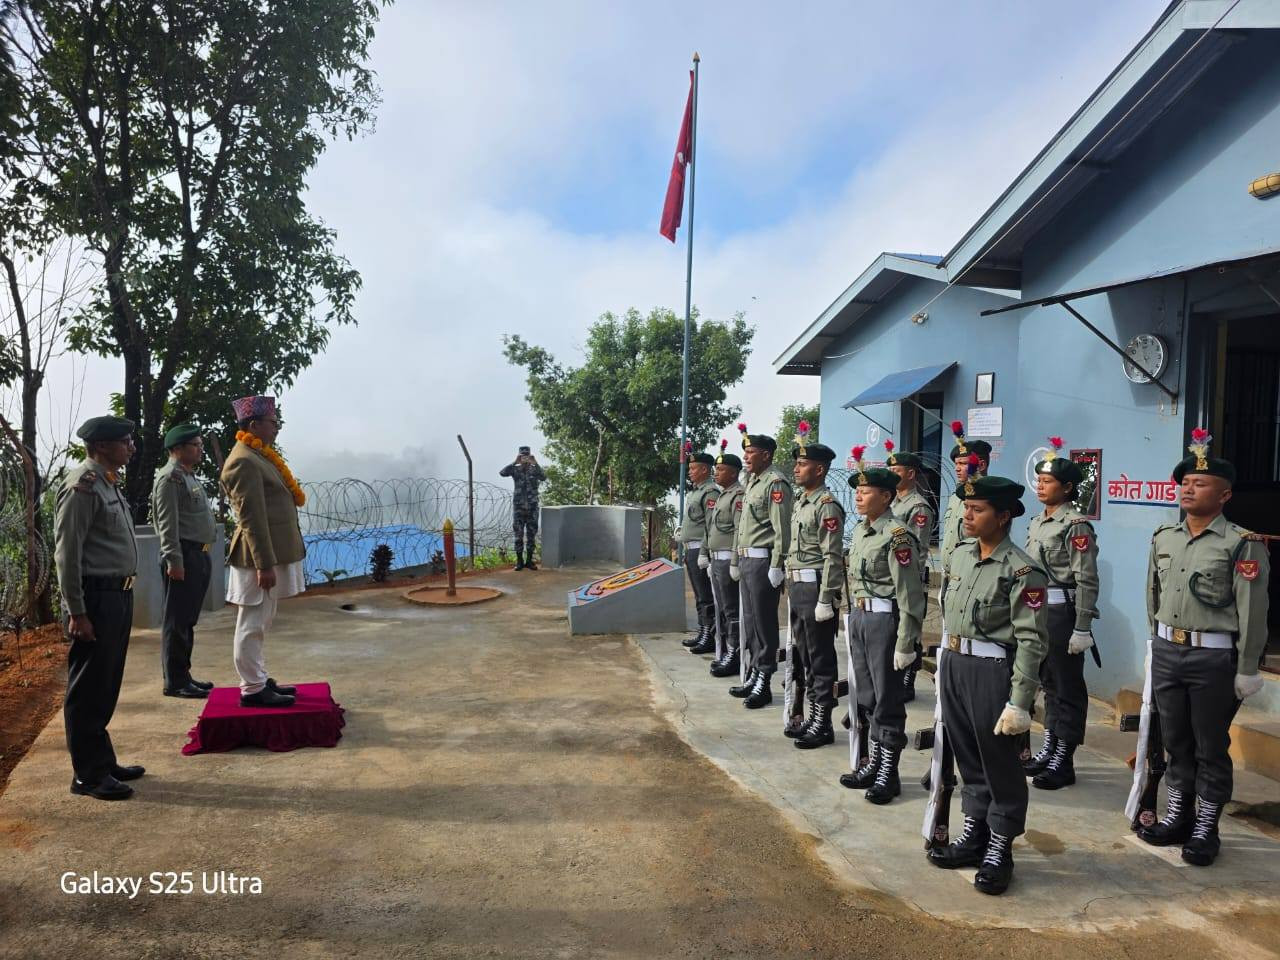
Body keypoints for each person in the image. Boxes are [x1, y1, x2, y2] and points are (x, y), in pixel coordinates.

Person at [1135, 428, 1270, 867]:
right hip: (1169, 651)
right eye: (1185, 482)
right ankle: (1178, 816)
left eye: (1201, 483)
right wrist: (1154, 642)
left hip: (1212, 658)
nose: (1189, 489)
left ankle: (1206, 827)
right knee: (1175, 741)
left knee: (1209, 745)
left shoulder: (1241, 543)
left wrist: (1247, 666)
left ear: (1225, 494)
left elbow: (1252, 610)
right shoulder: (1165, 536)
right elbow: (1153, 594)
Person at [927, 475, 1048, 897]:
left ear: (1003, 516)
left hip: (993, 670)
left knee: (999, 762)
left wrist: (1020, 700)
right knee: (967, 755)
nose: (967, 515)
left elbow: (1032, 639)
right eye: (966, 508)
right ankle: (975, 834)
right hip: (956, 663)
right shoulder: (960, 556)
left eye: (977, 510)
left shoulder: (1023, 570)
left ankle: (1001, 845)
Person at [54, 415, 143, 801]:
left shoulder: (107, 483)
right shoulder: (83, 488)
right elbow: (67, 554)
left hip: (117, 595)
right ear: (102, 446)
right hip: (95, 597)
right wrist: (77, 611)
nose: (131, 447)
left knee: (105, 684)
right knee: (87, 688)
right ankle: (87, 776)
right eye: (125, 441)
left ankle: (101, 761)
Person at [839, 447, 925, 801]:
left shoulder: (897, 535)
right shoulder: (861, 531)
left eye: (867, 490)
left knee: (888, 698)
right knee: (868, 696)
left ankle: (889, 772)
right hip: (860, 617)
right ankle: (875, 761)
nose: (859, 495)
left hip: (884, 621)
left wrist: (906, 642)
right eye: (857, 490)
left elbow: (910, 595)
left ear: (887, 496)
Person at [1023, 435, 1100, 790]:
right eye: (1039, 479)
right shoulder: (1039, 522)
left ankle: (1064, 758)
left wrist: (1082, 627)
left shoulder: (1076, 525)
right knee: (1049, 684)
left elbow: (1086, 578)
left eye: (1048, 481)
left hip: (1062, 613)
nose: (1040, 485)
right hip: (1037, 612)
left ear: (1067, 487)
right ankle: (1051, 746)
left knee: (1067, 687)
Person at [221, 395, 303, 708]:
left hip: (267, 555)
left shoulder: (258, 454)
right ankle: (253, 689)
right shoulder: (243, 460)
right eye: (273, 422)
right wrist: (264, 564)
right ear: (254, 425)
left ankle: (257, 677)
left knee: (262, 620)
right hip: (258, 557)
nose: (277, 427)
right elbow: (251, 518)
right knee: (252, 622)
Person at [784, 425, 845, 749]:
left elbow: (832, 556)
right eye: (796, 463)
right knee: (805, 655)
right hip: (798, 588)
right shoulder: (802, 502)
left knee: (821, 658)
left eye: (803, 464)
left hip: (815, 589)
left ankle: (824, 722)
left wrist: (827, 598)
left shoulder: (826, 505)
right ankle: (812, 714)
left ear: (819, 469)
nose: (796, 468)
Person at [151, 423, 217, 699]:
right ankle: (175, 680)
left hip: (199, 554)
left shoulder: (187, 476)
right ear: (177, 449)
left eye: (201, 445)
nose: (200, 450)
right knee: (177, 621)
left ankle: (184, 674)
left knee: (187, 620)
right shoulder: (170, 479)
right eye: (195, 445)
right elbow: (168, 525)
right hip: (184, 555)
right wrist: (174, 561)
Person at [729, 423, 792, 709]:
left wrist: (777, 564)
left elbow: (782, 529)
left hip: (763, 560)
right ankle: (754, 672)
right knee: (751, 621)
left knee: (765, 623)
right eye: (745, 452)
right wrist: (735, 559)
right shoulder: (752, 483)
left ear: (766, 455)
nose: (746, 456)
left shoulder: (775, 483)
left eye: (751, 452)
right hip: (746, 559)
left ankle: (764, 679)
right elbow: (741, 527)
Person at [885, 439, 935, 702]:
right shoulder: (891, 502)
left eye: (897, 471)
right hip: (890, 578)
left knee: (910, 626)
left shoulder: (917, 507)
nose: (892, 476)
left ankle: (908, 679)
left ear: (911, 474)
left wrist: (910, 582)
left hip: (909, 577)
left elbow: (918, 550)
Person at [705, 440, 746, 678]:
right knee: (722, 609)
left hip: (728, 560)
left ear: (733, 472)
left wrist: (734, 562)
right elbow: (712, 530)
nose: (716, 473)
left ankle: (735, 653)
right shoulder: (723, 496)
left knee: (732, 611)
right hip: (716, 559)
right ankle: (725, 650)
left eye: (720, 470)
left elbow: (739, 530)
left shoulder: (737, 496)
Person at [678, 446, 718, 653]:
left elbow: (711, 525)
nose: (690, 471)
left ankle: (709, 635)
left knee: (705, 594)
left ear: (704, 469)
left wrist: (704, 551)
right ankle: (703, 630)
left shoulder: (711, 492)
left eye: (693, 468)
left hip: (700, 550)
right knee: (698, 594)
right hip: (690, 549)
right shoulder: (697, 491)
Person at [500, 446, 546, 571]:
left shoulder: (534, 470)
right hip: (519, 508)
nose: (525, 458)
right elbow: (502, 473)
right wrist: (515, 462)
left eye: (527, 455)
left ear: (530, 456)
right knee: (518, 535)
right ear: (520, 456)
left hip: (532, 508)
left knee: (531, 535)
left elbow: (543, 477)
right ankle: (519, 561)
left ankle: (529, 561)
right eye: (522, 456)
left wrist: (536, 463)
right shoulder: (516, 470)